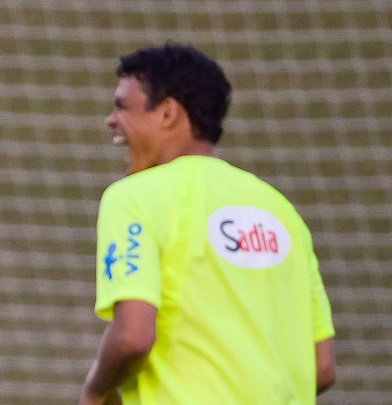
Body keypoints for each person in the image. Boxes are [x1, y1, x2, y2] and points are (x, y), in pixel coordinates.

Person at [79, 44, 336, 405]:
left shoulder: (135, 197)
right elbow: (321, 367)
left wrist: (96, 391)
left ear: (168, 113)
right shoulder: (281, 212)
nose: (111, 119)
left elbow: (133, 336)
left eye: (122, 106)